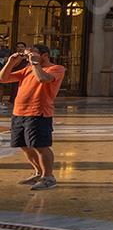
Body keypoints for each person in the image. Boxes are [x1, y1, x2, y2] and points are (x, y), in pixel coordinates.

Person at [0, 43, 65, 190]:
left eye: (32, 54)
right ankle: (39, 172)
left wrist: (35, 63)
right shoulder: (27, 69)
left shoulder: (56, 69)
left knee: (40, 146)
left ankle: (48, 177)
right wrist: (11, 62)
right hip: (19, 112)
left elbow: (42, 79)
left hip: (38, 112)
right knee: (24, 145)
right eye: (27, 55)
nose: (28, 58)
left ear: (45, 55)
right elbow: (2, 78)